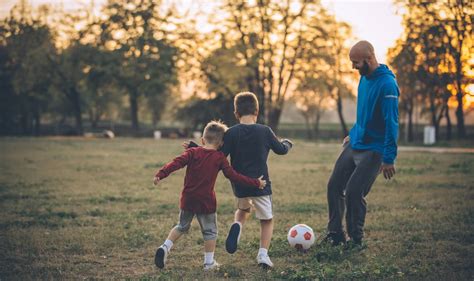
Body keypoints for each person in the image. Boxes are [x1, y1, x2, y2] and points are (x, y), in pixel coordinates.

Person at [190, 92, 293, 268]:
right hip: (261, 184)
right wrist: (287, 144)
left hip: (239, 183)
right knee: (267, 219)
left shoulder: (230, 133)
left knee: (243, 209)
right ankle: (263, 255)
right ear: (257, 111)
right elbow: (281, 150)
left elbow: (217, 154)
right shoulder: (265, 131)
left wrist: (197, 149)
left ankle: (237, 225)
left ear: (236, 113)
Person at [153, 120, 266, 271]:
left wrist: (161, 174)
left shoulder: (192, 152)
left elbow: (176, 163)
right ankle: (208, 263)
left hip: (188, 198)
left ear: (202, 140)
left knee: (181, 226)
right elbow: (234, 176)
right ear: (221, 144)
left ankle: (165, 247)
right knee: (210, 231)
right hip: (206, 202)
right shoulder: (220, 158)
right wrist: (255, 182)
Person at [324, 40, 399, 247]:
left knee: (354, 192)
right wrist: (352, 133)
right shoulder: (364, 78)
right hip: (356, 141)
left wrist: (388, 157)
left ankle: (355, 239)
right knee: (334, 186)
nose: (353, 67)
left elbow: (391, 123)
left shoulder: (388, 85)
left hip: (374, 149)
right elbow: (365, 112)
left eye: (356, 62)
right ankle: (335, 234)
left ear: (369, 58)